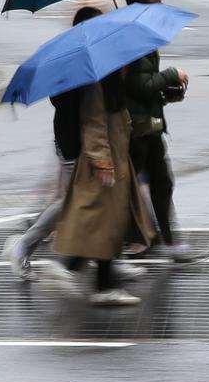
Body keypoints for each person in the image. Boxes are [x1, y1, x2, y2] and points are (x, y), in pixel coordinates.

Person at [4, 6, 146, 283]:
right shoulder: (75, 61)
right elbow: (85, 111)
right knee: (72, 203)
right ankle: (24, 245)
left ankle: (109, 259)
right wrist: (99, 156)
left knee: (103, 203)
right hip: (76, 144)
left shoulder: (99, 57)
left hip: (89, 143)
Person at [48, 63, 157, 306]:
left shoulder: (111, 78)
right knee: (102, 221)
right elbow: (94, 120)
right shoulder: (98, 79)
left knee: (108, 221)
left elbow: (116, 115)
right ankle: (75, 271)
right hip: (105, 161)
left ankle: (95, 279)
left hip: (115, 156)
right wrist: (101, 160)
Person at [122, 0, 208, 264]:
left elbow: (145, 86)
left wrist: (165, 94)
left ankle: (168, 242)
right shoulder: (132, 39)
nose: (161, 8)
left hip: (150, 125)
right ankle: (116, 249)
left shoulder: (144, 37)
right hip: (137, 129)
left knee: (161, 183)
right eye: (156, 3)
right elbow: (137, 86)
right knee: (129, 190)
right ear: (140, 6)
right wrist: (171, 74)